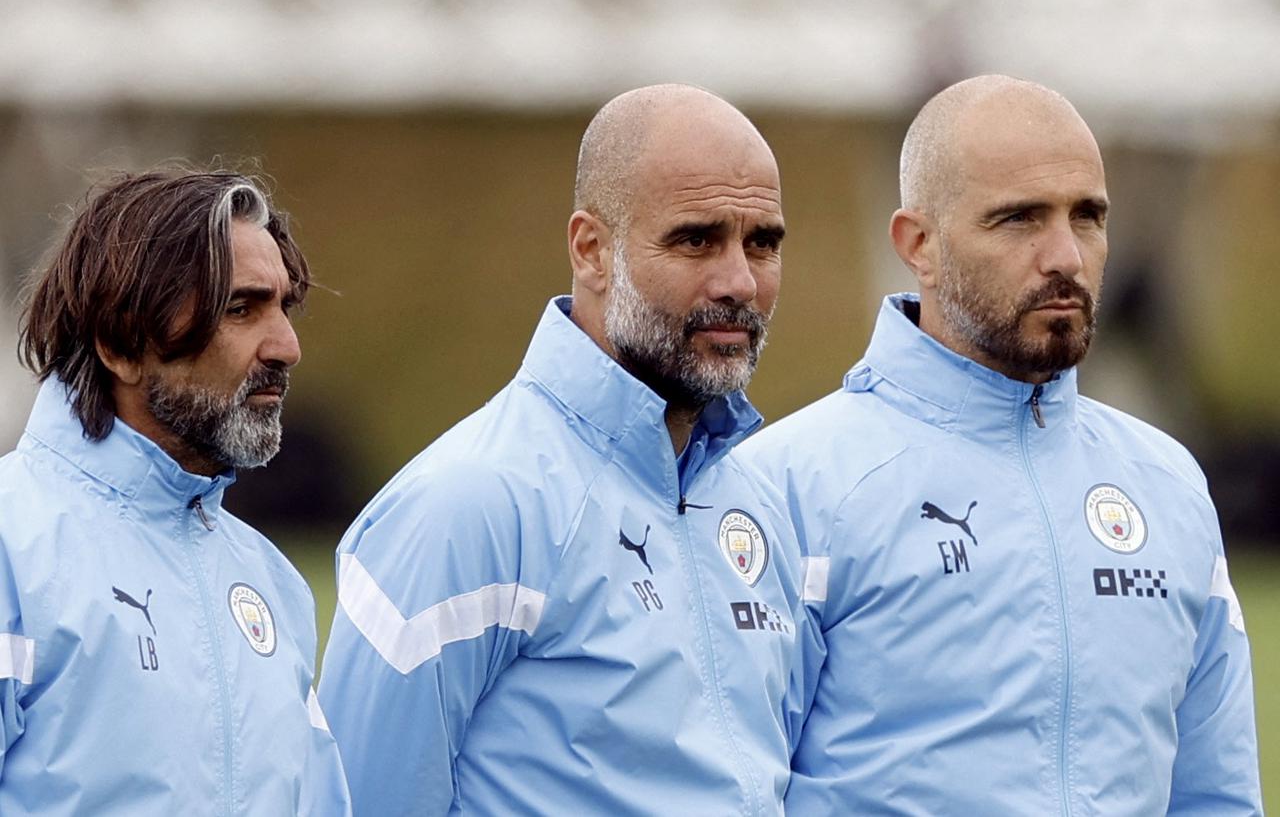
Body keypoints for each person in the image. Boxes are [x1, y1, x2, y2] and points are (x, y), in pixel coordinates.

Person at [741, 75, 1262, 814]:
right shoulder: (781, 487)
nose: (1066, 257)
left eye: (1087, 217)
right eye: (1019, 219)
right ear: (917, 244)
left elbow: (1216, 796)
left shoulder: (1167, 483)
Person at [318, 84, 804, 816]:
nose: (739, 280)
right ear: (591, 250)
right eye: (696, 238)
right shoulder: (468, 503)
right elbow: (357, 800)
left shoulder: (759, 504)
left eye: (762, 242)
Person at [0, 168, 351, 815]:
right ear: (121, 344)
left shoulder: (274, 582)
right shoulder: (13, 548)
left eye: (283, 307)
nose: (287, 345)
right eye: (241, 308)